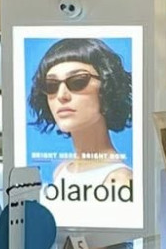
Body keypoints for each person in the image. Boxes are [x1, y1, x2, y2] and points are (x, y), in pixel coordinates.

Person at [26, 36, 133, 193]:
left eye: (78, 81)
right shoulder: (61, 171)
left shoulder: (120, 181)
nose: (62, 95)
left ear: (107, 87)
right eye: (51, 85)